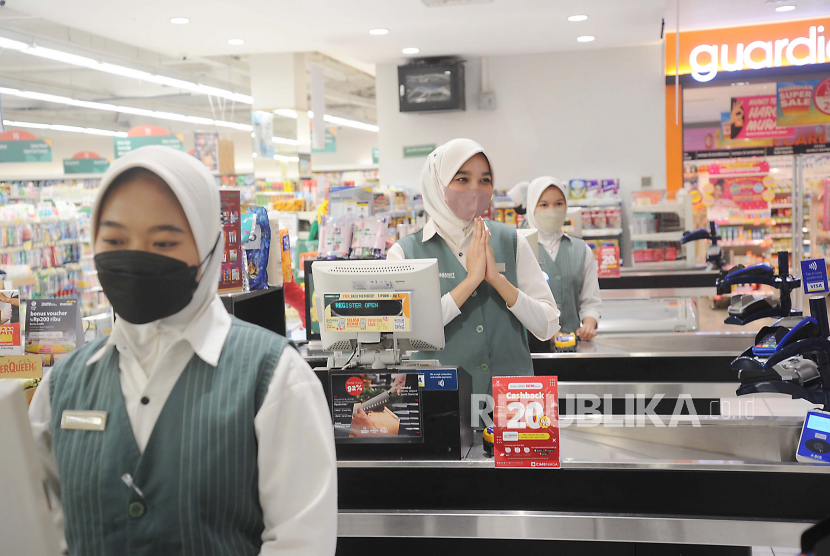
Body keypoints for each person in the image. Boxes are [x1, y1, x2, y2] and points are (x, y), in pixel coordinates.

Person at [28, 146, 337, 556]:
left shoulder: (275, 376)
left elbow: (300, 543)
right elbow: (37, 529)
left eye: (164, 242)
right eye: (116, 239)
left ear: (210, 246)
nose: (137, 257)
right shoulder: (62, 384)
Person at [387, 139, 559, 396]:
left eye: (484, 180)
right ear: (437, 183)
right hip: (442, 399)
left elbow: (548, 326)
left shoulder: (511, 240)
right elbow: (404, 335)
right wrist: (470, 283)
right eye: (462, 179)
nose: (475, 190)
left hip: (512, 401)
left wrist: (498, 281)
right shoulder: (405, 253)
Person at [525, 176, 601, 341]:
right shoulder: (519, 247)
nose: (552, 210)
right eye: (544, 205)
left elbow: (590, 301)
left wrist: (589, 324)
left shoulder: (581, 249)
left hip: (572, 348)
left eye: (559, 204)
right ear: (532, 207)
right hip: (529, 350)